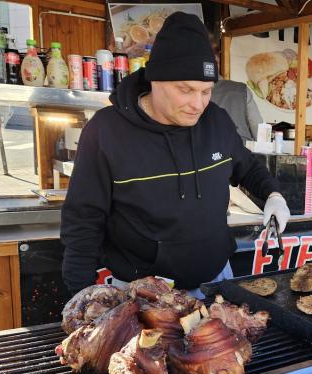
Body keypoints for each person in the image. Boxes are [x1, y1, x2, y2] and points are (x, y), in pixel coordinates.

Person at [60, 12, 290, 296]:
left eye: (206, 91)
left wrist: (273, 195)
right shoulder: (106, 131)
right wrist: (79, 296)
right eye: (186, 90)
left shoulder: (216, 120)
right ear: (155, 80)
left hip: (217, 281)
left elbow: (247, 166)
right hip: (143, 295)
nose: (197, 104)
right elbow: (83, 220)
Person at [208, 29, 263, 144]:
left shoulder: (189, 93)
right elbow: (260, 132)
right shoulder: (242, 91)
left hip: (208, 157)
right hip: (242, 154)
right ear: (217, 59)